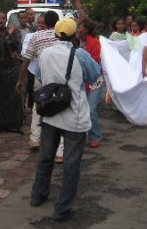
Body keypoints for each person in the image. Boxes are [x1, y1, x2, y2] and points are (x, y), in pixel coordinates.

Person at [30, 18, 101, 221]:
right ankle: (62, 209)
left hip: (51, 113)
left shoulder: (45, 53)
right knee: (71, 164)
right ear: (74, 35)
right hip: (74, 117)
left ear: (55, 34)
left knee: (45, 157)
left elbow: (40, 77)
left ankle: (38, 195)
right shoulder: (80, 54)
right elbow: (94, 75)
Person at [16, 10, 60, 149]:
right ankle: (58, 146)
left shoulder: (35, 36)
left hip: (41, 76)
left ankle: (35, 138)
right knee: (59, 107)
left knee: (38, 107)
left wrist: (20, 79)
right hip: (59, 77)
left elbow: (26, 59)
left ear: (45, 22)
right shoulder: (62, 35)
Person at [0, 12, 23, 133]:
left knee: (14, 94)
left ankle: (14, 124)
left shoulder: (12, 31)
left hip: (12, 66)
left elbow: (16, 47)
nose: (1, 20)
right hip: (0, 66)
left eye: (3, 18)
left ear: (6, 20)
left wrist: (9, 36)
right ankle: (2, 123)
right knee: (2, 95)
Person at [77, 18, 106, 147]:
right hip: (80, 80)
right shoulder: (77, 42)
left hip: (94, 80)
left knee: (91, 109)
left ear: (87, 29)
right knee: (81, 110)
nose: (78, 29)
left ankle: (96, 136)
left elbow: (95, 63)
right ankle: (82, 135)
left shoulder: (94, 42)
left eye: (81, 27)